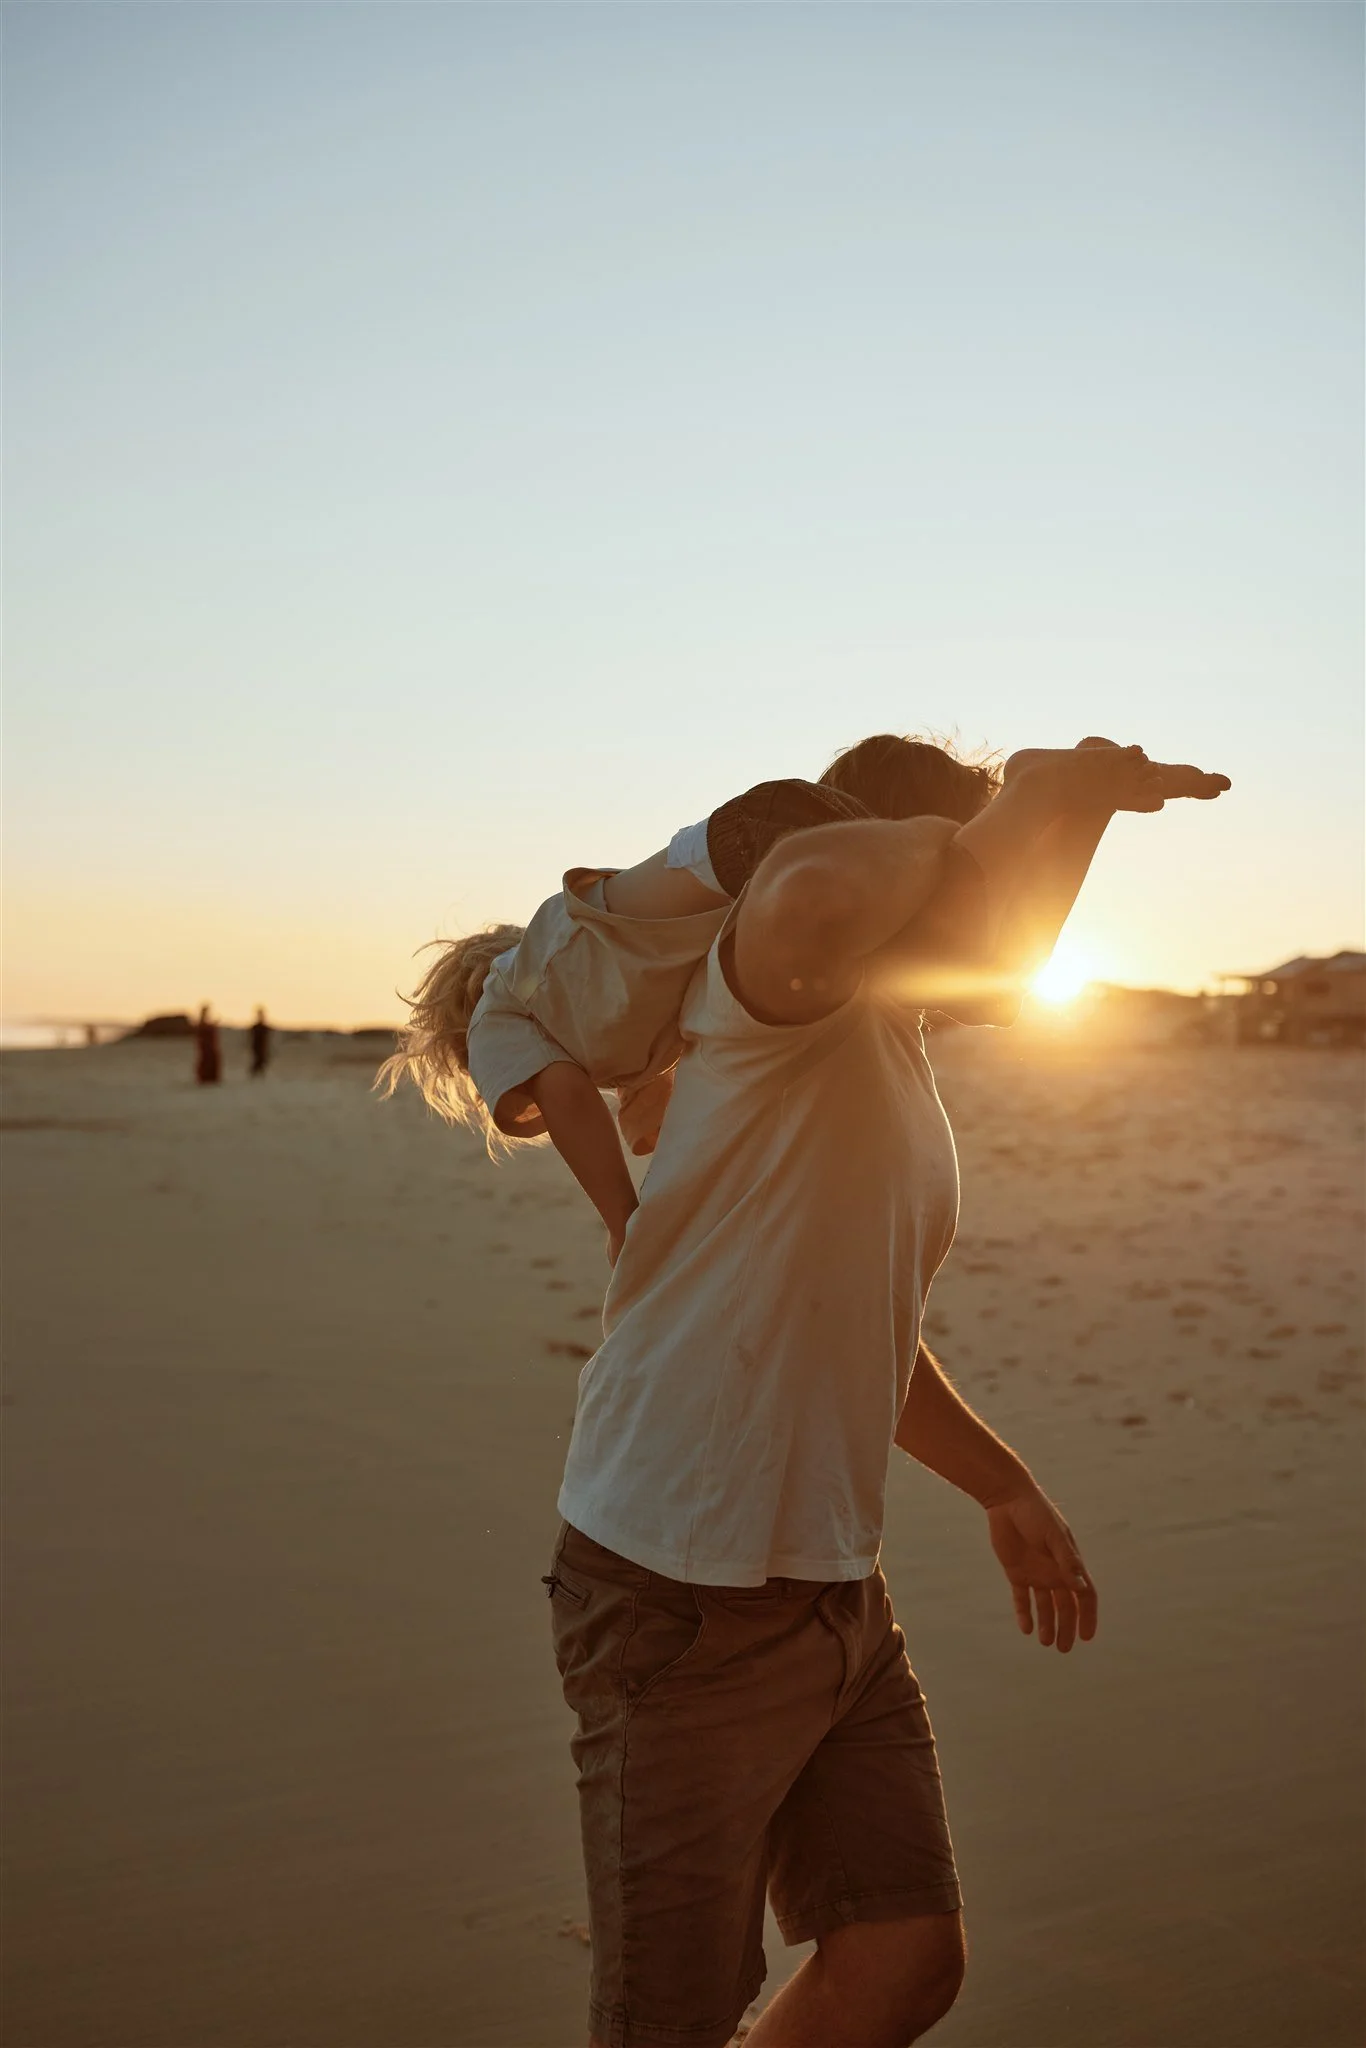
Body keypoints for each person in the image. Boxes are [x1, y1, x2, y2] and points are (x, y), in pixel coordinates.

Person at [535, 733, 1228, 2048]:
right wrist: (1014, 808)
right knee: (665, 2020)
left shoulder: (884, 1041)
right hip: (675, 1602)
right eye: (975, 875)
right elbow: (796, 884)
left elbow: (855, 1325)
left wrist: (999, 1481)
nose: (998, 923)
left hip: (832, 1589)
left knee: (904, 1957)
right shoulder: (771, 1001)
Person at [379, 738, 1227, 1264]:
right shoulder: (613, 1005)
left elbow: (566, 1100)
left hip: (761, 844)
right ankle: (1078, 808)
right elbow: (649, 1125)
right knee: (991, 986)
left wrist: (622, 1223)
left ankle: (1031, 792)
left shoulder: (505, 1013)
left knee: (959, 955)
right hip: (759, 831)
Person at [193, 1004, 220, 1086]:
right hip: (206, 1047)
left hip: (210, 1047)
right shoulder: (202, 1024)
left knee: (210, 1061)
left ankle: (210, 1078)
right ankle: (206, 1077)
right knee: (206, 1061)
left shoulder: (204, 1023)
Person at [248, 1007, 271, 1078]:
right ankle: (255, 1073)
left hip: (262, 1046)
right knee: (258, 1060)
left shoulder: (263, 1027)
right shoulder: (256, 1027)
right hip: (257, 1046)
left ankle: (258, 1073)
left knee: (261, 1060)